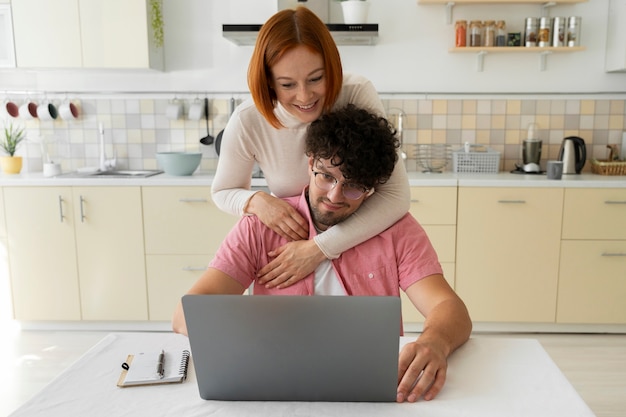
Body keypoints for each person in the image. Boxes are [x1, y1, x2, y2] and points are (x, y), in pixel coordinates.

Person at [174, 105, 472, 403]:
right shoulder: (260, 226)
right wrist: (249, 341)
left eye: (354, 187)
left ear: (373, 189)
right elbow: (185, 315)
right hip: (275, 383)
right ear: (311, 163)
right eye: (326, 177)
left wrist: (434, 342)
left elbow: (449, 307)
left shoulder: (397, 230)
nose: (334, 197)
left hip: (368, 388)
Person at [211, 7, 410, 289]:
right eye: (287, 84)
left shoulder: (354, 92)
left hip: (356, 247)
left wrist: (318, 249)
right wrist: (256, 201)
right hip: (287, 261)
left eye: (316, 78)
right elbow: (222, 192)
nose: (305, 96)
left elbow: (396, 194)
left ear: (331, 67)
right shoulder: (248, 120)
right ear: (268, 81)